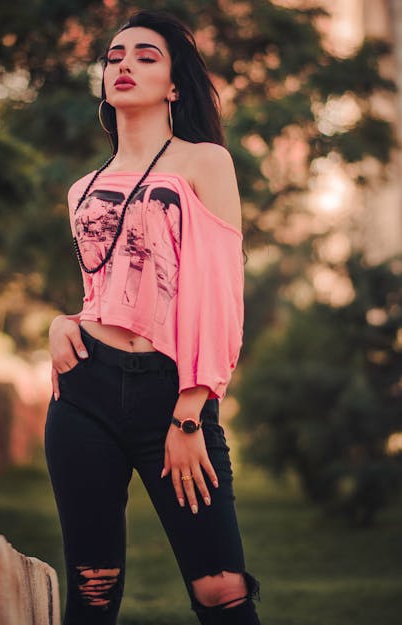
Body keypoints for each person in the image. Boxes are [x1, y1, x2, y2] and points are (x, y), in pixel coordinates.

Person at [44, 9, 262, 625]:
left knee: (221, 587)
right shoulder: (81, 188)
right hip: (83, 393)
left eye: (145, 55)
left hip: (172, 393)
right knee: (92, 586)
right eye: (114, 57)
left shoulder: (204, 163)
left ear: (173, 85)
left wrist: (189, 411)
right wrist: (64, 322)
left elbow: (219, 291)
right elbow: (109, 288)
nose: (124, 66)